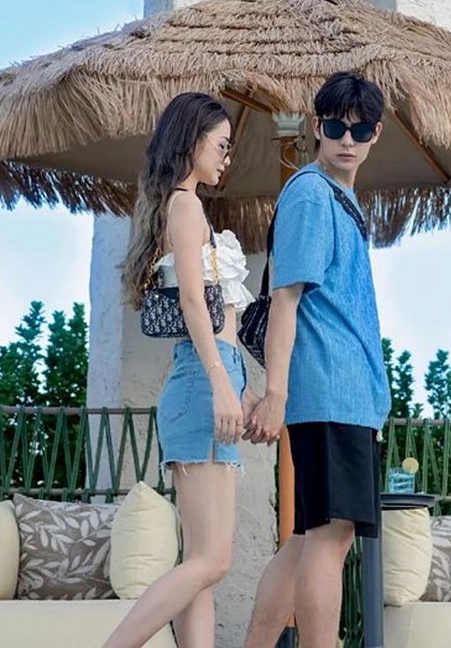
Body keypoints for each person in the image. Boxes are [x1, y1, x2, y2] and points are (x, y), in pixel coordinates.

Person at [243, 72, 392, 648]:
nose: (347, 140)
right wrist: (275, 393)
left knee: (310, 537)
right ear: (315, 127)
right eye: (335, 127)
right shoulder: (311, 193)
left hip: (345, 393)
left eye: (359, 130)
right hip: (330, 388)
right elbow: (285, 298)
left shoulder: (339, 197)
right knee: (331, 537)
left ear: (376, 134)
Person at [107, 92, 257, 648]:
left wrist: (238, 382)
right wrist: (222, 381)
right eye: (220, 145)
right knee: (213, 560)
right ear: (191, 142)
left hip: (206, 378)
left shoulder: (179, 206)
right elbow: (195, 303)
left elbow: (219, 317)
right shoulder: (185, 206)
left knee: (202, 564)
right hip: (201, 381)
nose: (226, 157)